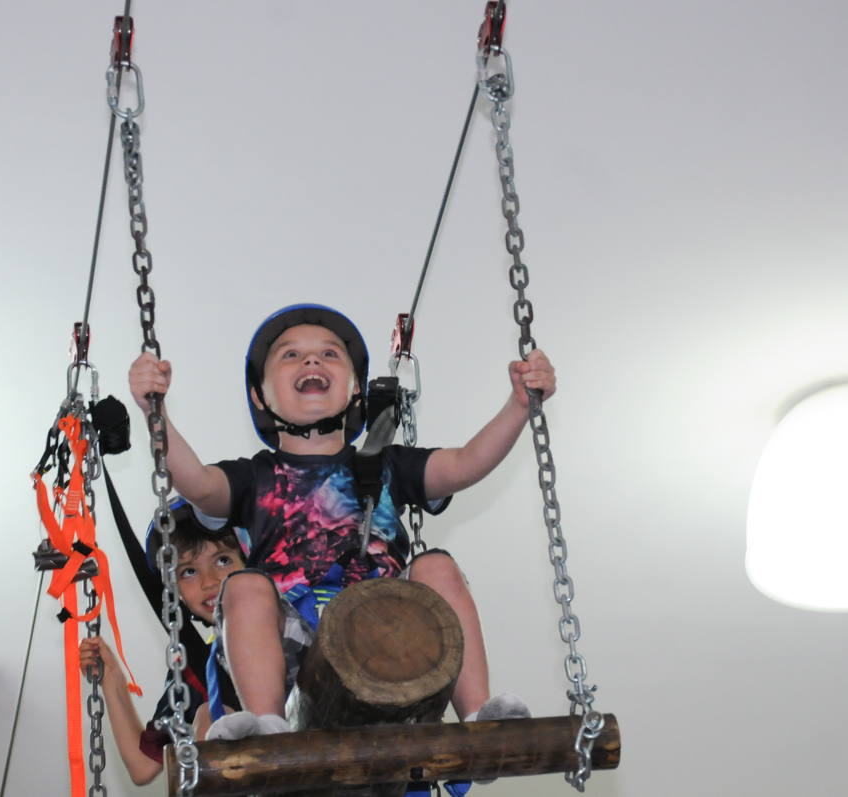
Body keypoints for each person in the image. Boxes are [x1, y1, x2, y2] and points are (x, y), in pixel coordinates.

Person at [127, 304, 556, 741]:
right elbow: (197, 484)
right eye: (290, 355)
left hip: (387, 627)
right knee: (244, 587)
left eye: (330, 354)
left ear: (355, 391)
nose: (312, 360)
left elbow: (465, 464)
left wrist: (518, 407)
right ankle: (268, 725)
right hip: (293, 640)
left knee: (437, 566)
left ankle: (478, 719)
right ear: (260, 396)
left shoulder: (390, 466)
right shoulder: (254, 477)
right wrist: (154, 414)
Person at [78, 510, 245, 784]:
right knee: (207, 716)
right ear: (175, 594)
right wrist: (112, 680)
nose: (209, 581)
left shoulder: (292, 628)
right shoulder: (194, 672)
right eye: (189, 572)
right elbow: (143, 767)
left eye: (223, 560)